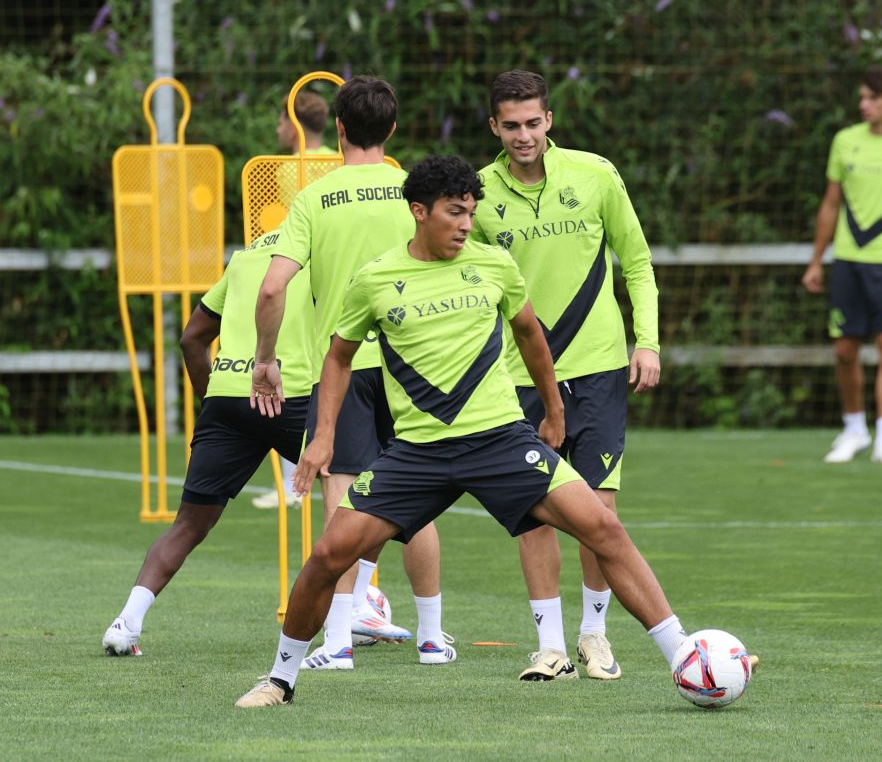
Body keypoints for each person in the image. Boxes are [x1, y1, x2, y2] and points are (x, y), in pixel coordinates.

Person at [235, 155, 753, 708]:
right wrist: (323, 437)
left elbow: (529, 335)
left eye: (471, 212)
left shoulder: (495, 266)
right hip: (417, 453)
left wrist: (553, 410)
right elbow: (338, 358)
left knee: (602, 527)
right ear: (419, 212)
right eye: (454, 212)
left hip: (501, 441)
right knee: (326, 556)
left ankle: (684, 657)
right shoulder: (375, 279)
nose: (465, 223)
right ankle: (280, 678)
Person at [472, 70, 660, 682]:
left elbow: (636, 260)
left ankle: (595, 636)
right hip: (517, 376)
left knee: (598, 508)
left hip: (601, 366)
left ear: (549, 120)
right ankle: (549, 646)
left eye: (533, 123)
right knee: (534, 506)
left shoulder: (596, 174)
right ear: (494, 125)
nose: (523, 135)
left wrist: (647, 342)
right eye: (511, 125)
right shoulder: (477, 193)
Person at [252, 75, 440, 670]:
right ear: (390, 129)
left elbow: (272, 286)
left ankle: (335, 644)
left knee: (341, 494)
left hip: (346, 363)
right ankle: (433, 638)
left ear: (337, 129)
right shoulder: (415, 193)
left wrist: (264, 359)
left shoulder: (314, 197)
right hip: (417, 364)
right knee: (422, 498)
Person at [102, 227, 317, 656]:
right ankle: (355, 614)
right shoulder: (318, 251)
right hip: (287, 391)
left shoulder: (243, 257)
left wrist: (214, 406)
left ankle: (126, 623)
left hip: (227, 396)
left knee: (188, 524)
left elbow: (191, 338)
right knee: (362, 488)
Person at [801, 67, 882, 465]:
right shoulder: (845, 141)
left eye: (872, 97)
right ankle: (855, 429)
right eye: (861, 97)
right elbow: (830, 203)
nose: (864, 104)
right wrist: (815, 260)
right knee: (844, 349)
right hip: (848, 262)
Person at [254, 89, 336, 511]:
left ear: (294, 124)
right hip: (334, 279)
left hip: (298, 279)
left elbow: (276, 229)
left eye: (281, 121)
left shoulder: (286, 170)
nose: (277, 129)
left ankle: (294, 481)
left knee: (290, 375)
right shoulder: (339, 165)